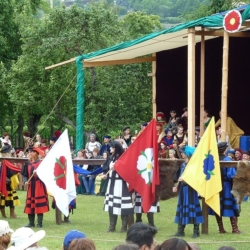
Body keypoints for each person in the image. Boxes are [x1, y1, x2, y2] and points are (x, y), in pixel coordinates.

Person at [209, 142, 241, 234]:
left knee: (217, 205)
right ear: (225, 150)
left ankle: (221, 229)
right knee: (231, 205)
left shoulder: (213, 159)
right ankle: (235, 229)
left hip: (215, 186)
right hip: (226, 186)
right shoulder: (227, 159)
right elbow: (231, 175)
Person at [173, 146, 204, 238]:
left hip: (191, 190)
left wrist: (184, 180)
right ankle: (180, 230)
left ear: (188, 154)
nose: (181, 154)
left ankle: (196, 231)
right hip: (183, 190)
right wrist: (176, 186)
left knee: (193, 209)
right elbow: (178, 177)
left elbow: (196, 179)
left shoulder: (193, 166)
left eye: (183, 152)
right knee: (182, 208)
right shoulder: (183, 165)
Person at [103, 141, 134, 232]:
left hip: (121, 184)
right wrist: (105, 174)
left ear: (116, 148)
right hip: (112, 183)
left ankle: (124, 227)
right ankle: (112, 227)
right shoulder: (110, 158)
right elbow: (106, 169)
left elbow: (127, 170)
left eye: (112, 147)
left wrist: (117, 167)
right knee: (111, 204)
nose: (110, 149)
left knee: (123, 205)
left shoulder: (123, 158)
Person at [23, 148, 49, 228]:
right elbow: (24, 174)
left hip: (39, 185)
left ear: (36, 153)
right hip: (31, 185)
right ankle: (31, 222)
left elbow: (45, 174)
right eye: (29, 152)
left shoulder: (41, 163)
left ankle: (39, 223)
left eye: (32, 152)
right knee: (30, 204)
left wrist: (38, 173)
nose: (30, 153)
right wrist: (25, 181)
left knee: (38, 204)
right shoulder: (27, 163)